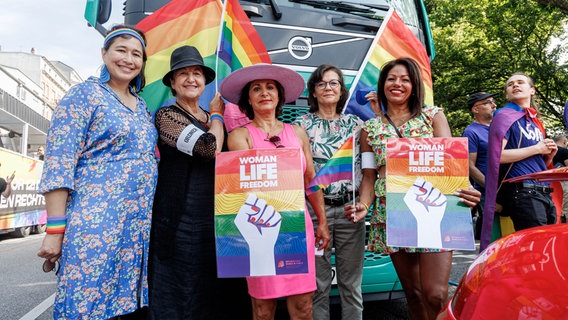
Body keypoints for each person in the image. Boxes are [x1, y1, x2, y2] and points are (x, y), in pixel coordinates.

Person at [36, 25, 158, 319]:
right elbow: (59, 163)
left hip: (134, 231)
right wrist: (55, 231)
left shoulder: (141, 106)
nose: (129, 59)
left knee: (122, 308)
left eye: (136, 54)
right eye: (121, 50)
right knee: (85, 306)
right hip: (94, 226)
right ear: (104, 54)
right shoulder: (84, 95)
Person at [344, 58, 481, 320]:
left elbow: (451, 164)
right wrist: (363, 204)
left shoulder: (432, 116)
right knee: (414, 294)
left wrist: (466, 190)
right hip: (392, 214)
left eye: (405, 79)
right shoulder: (370, 130)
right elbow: (370, 176)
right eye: (392, 79)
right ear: (383, 84)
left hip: (435, 208)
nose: (398, 84)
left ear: (414, 85)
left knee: (436, 294)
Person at [221, 63, 331, 320]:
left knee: (304, 307)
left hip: (296, 228)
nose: (264, 92)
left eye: (270, 87)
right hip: (260, 227)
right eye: (256, 89)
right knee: (263, 308)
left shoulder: (298, 133)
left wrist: (322, 221)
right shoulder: (239, 136)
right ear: (248, 98)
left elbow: (310, 179)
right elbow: (242, 186)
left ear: (280, 95)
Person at [148, 45, 250, 320]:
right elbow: (208, 149)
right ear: (172, 82)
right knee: (182, 292)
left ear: (205, 81)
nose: (191, 79)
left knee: (216, 292)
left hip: (217, 221)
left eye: (197, 73)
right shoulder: (167, 117)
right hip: (180, 221)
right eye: (183, 74)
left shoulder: (210, 119)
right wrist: (217, 115)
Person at [292, 64, 364, 320]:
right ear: (313, 91)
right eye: (321, 83)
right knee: (318, 285)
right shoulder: (300, 125)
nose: (328, 88)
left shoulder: (356, 124)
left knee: (351, 285)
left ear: (341, 90)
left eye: (334, 83)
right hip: (314, 213)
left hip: (349, 211)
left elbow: (369, 167)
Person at [481, 72, 557, 250]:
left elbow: (538, 165)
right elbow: (497, 156)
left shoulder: (536, 122)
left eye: (520, 82)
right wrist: (537, 148)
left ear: (532, 90)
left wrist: (549, 155)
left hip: (544, 193)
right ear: (507, 94)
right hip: (522, 193)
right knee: (536, 249)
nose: (515, 85)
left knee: (548, 247)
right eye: (510, 84)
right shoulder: (503, 116)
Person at [462, 91, 497, 239]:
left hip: (509, 191)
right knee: (495, 238)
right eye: (487, 103)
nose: (494, 105)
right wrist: (491, 189)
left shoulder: (499, 129)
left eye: (493, 101)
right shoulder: (471, 132)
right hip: (489, 194)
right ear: (475, 109)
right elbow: (469, 166)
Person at [552, 134, 568, 222]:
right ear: (564, 142)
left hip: (548, 182)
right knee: (565, 206)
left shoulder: (547, 151)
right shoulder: (564, 151)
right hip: (563, 182)